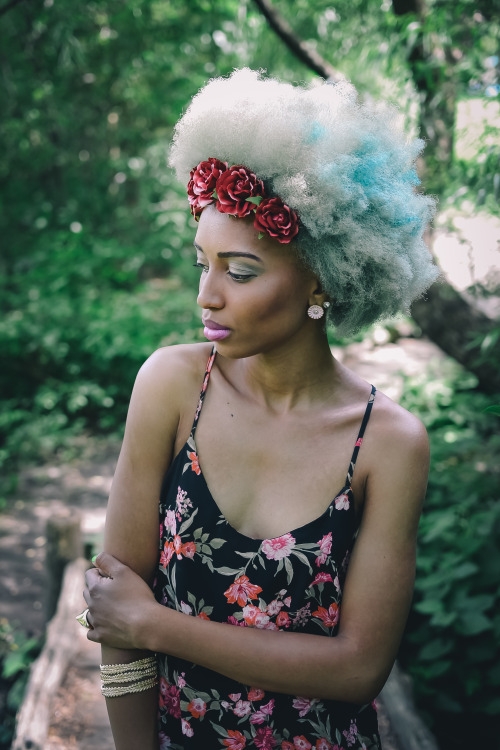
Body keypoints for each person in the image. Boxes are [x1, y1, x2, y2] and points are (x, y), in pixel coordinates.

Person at [82, 68, 438, 750]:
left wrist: (156, 625)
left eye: (239, 272)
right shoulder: (171, 387)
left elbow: (360, 669)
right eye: (201, 262)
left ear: (321, 280)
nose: (207, 296)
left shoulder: (389, 444)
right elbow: (113, 607)